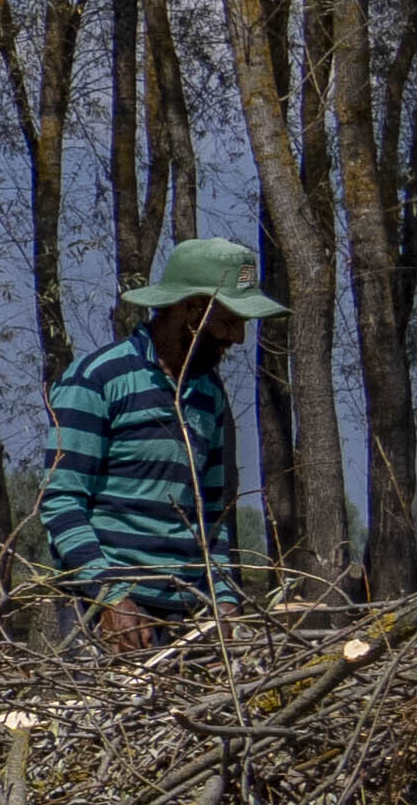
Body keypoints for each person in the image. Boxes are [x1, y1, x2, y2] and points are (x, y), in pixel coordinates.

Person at [35, 239, 272, 637]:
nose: (238, 338)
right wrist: (109, 596)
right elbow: (61, 501)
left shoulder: (208, 396)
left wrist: (224, 598)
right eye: (230, 321)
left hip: (186, 613)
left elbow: (210, 512)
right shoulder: (96, 380)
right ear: (192, 310)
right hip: (104, 615)